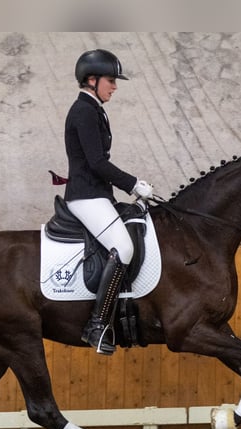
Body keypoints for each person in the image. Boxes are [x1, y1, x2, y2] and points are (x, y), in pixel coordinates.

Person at [63, 48, 154, 355]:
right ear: (92, 79)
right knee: (124, 247)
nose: (114, 86)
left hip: (97, 194)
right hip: (86, 195)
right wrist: (134, 185)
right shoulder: (84, 111)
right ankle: (97, 325)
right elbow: (97, 163)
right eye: (111, 80)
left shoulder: (94, 109)